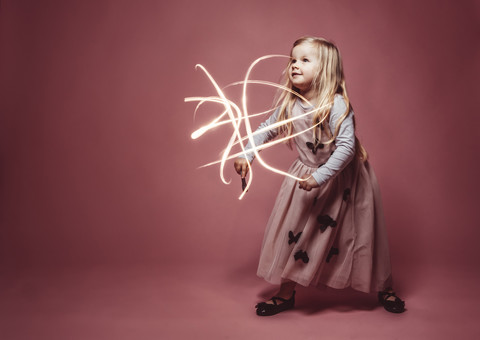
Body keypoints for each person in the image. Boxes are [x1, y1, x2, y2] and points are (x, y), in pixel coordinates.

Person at [234, 36, 405, 316]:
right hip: (306, 177)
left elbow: (347, 147)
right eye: (292, 59)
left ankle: (385, 287)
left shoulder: (336, 104)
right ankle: (286, 293)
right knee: (295, 233)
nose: (294, 65)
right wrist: (247, 154)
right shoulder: (291, 103)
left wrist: (322, 176)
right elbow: (267, 128)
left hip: (344, 182)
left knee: (361, 235)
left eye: (304, 60)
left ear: (325, 69)